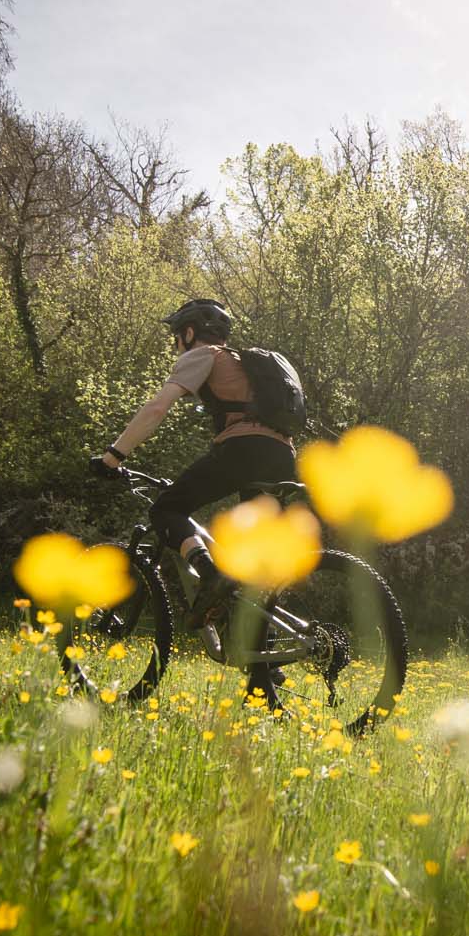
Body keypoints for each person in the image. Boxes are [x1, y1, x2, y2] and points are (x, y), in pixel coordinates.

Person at [91, 299, 300, 699]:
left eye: (177, 335)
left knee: (167, 508)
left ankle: (209, 572)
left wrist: (113, 456)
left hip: (244, 449)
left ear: (189, 332)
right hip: (282, 455)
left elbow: (157, 408)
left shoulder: (205, 355)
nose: (176, 343)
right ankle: (263, 677)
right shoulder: (246, 364)